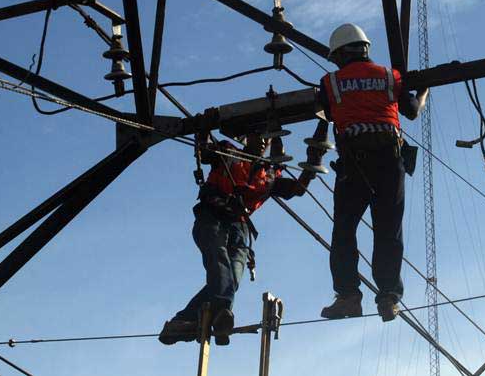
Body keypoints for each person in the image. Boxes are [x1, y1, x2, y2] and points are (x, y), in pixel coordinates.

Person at [159, 132, 313, 345]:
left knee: (232, 276)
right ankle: (222, 313)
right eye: (256, 135)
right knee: (218, 258)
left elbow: (297, 188)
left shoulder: (269, 174)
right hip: (212, 214)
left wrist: (313, 162)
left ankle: (184, 321)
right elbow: (204, 152)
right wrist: (203, 127)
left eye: (265, 138)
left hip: (240, 225)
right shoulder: (227, 151)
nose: (260, 140)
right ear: (247, 138)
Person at [318, 23, 428, 322]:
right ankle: (389, 296)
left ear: (340, 53)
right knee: (388, 229)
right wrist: (425, 91)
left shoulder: (331, 82)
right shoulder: (389, 76)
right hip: (389, 161)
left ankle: (349, 297)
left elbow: (329, 113)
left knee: (344, 230)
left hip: (354, 162)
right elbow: (413, 111)